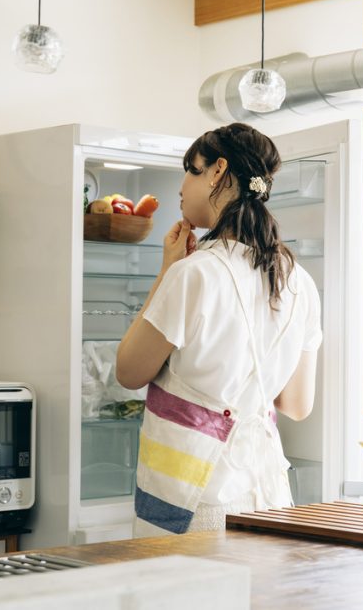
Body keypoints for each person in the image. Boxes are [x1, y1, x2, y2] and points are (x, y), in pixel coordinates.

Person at [116, 122, 322, 536]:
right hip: (268, 495)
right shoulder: (299, 281)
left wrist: (165, 272)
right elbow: (296, 404)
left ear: (218, 171)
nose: (182, 185)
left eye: (191, 169)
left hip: (194, 501)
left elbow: (129, 372)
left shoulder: (193, 274)